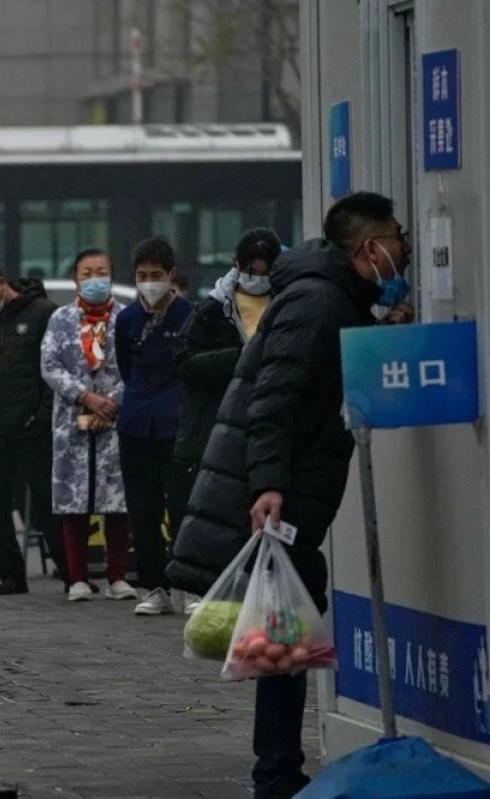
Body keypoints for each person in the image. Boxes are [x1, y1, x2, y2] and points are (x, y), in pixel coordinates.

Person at [168, 192, 414, 799]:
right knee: (282, 632)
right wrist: (269, 485)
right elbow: (274, 395)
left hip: (294, 486)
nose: (404, 245)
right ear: (370, 248)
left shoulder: (330, 296)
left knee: (284, 631)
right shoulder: (318, 300)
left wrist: (384, 331)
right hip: (282, 492)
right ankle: (275, 773)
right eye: (398, 235)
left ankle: (277, 770)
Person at [169, 228, 281, 614]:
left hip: (266, 422)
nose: (258, 278)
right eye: (252, 270)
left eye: (265, 271)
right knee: (214, 507)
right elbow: (185, 364)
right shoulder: (213, 310)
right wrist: (242, 357)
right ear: (237, 264)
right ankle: (207, 588)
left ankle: (256, 587)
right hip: (216, 425)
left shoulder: (285, 304)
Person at [0, 258, 64, 596]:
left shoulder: (41, 312)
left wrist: (42, 414)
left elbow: (54, 368)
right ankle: (10, 572)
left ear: (1, 283)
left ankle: (70, 570)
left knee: (48, 501)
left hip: (31, 423)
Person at [41, 249, 137, 603]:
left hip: (116, 417)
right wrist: (85, 396)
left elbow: (136, 365)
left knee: (116, 500)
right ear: (75, 278)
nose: (94, 277)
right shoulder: (60, 319)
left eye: (101, 271)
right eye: (87, 272)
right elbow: (50, 365)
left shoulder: (127, 318)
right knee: (74, 502)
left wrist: (111, 402)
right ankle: (77, 578)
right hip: (73, 418)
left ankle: (117, 576)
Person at [116, 238, 194, 615]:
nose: (149, 282)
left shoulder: (190, 315)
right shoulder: (127, 319)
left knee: (182, 506)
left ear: (171, 275)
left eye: (156, 275)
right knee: (142, 509)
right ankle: (154, 587)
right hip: (135, 424)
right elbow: (125, 366)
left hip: (175, 423)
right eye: (142, 275)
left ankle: (190, 585)